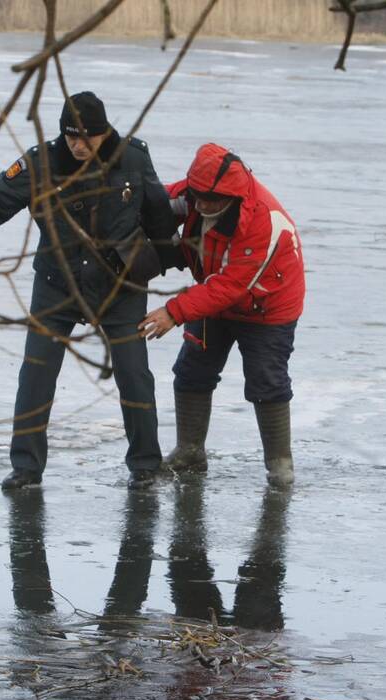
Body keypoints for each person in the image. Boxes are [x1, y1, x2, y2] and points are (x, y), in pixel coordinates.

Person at [0, 91, 178, 490]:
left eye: (87, 137)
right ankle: (26, 468)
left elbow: (159, 214)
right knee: (36, 374)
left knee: (134, 375)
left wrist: (170, 261)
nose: (78, 145)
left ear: (105, 132)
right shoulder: (40, 162)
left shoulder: (132, 157)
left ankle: (145, 466)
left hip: (119, 286)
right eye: (71, 136)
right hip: (58, 283)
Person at [139, 143, 305, 488]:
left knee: (266, 382)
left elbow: (231, 286)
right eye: (196, 196)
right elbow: (154, 203)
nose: (200, 205)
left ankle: (280, 466)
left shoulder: (262, 220)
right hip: (213, 293)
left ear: (230, 196)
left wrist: (174, 312)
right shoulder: (198, 192)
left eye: (209, 200)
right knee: (191, 371)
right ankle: (190, 452)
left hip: (268, 307)